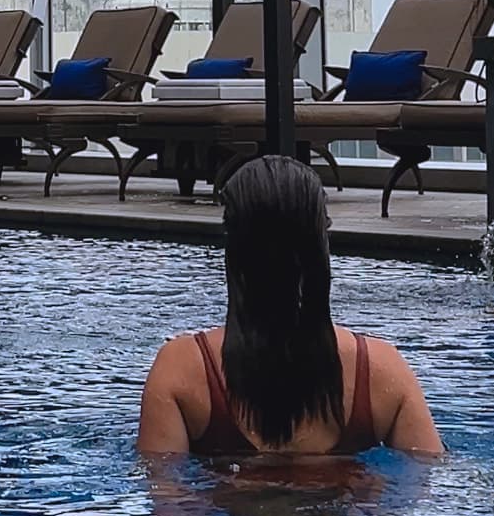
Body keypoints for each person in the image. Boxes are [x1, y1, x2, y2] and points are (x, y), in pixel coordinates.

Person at [138, 155, 443, 457]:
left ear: (234, 247)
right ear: (321, 242)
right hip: (344, 501)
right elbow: (429, 481)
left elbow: (166, 496)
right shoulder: (381, 371)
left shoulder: (181, 370)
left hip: (229, 501)